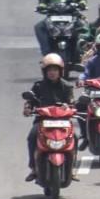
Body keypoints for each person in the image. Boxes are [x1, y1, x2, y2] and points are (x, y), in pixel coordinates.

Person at [23, 54, 74, 182]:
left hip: (63, 122)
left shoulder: (67, 86)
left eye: (55, 70)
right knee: (32, 137)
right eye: (49, 70)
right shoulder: (38, 86)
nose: (52, 73)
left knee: (75, 138)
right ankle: (34, 168)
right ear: (45, 72)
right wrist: (28, 108)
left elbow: (72, 103)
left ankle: (71, 169)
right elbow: (30, 100)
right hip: (43, 121)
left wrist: (69, 107)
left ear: (60, 71)